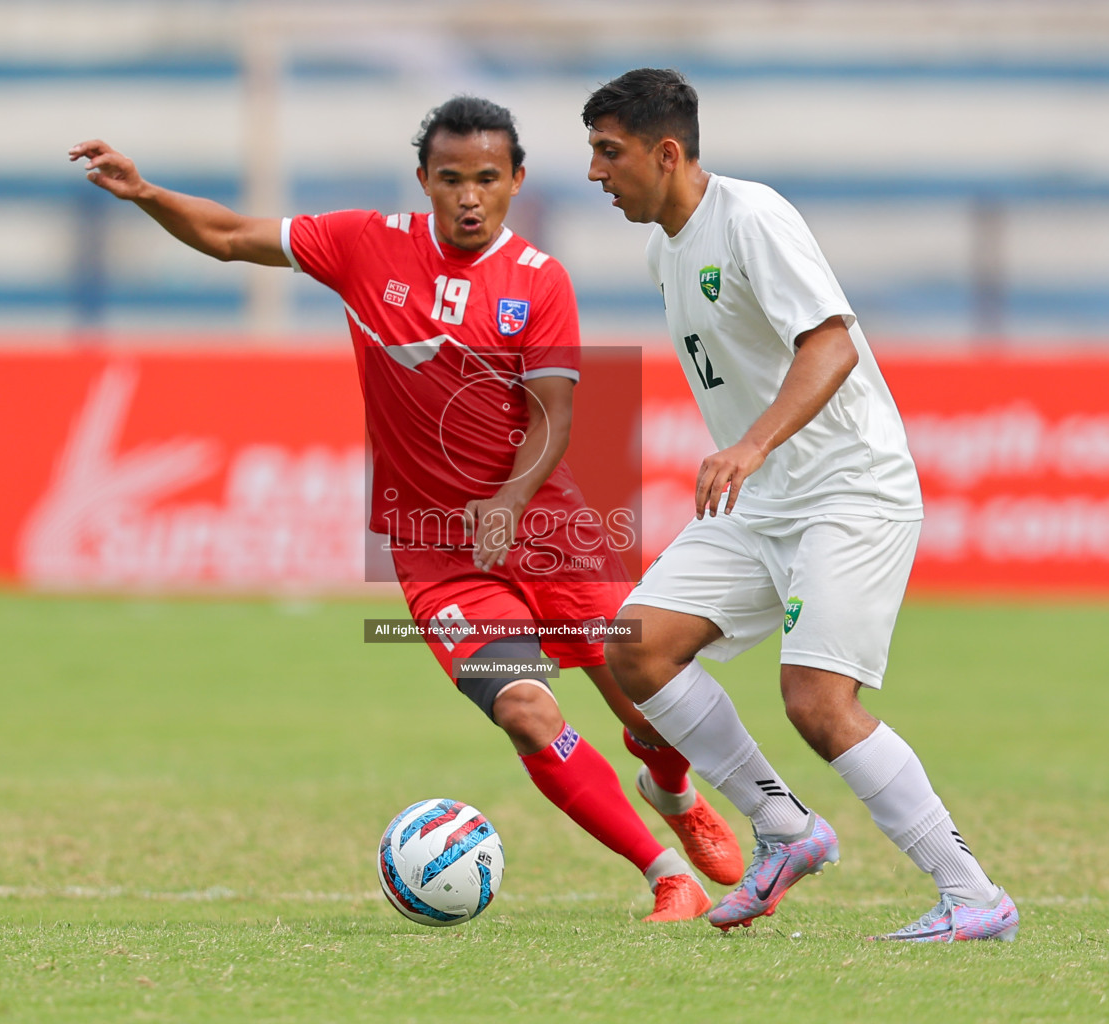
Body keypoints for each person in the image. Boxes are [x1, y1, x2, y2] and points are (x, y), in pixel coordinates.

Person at [69, 95, 742, 921]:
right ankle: (665, 873)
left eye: (487, 179)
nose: (468, 196)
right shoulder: (364, 244)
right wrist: (146, 195)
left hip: (552, 532)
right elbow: (229, 236)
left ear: (516, 181)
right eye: (450, 178)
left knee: (644, 691)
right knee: (527, 711)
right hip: (436, 552)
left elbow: (553, 413)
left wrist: (509, 499)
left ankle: (672, 789)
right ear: (423, 180)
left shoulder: (538, 280)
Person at [582, 69, 1019, 941]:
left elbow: (831, 348)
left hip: (849, 488)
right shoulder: (663, 248)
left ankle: (973, 895)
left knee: (817, 702)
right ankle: (782, 828)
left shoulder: (753, 219)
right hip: (765, 500)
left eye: (609, 151)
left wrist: (750, 444)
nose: (596, 173)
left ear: (666, 154)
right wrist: (754, 460)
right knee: (637, 649)